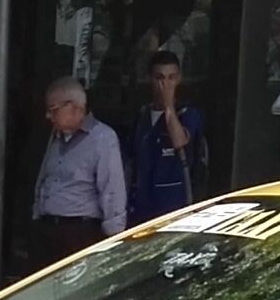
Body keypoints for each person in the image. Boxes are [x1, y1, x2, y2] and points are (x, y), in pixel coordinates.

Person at [30, 75, 126, 272]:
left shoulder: (102, 138)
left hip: (79, 232)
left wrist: (114, 241)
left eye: (53, 110)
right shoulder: (56, 135)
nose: (49, 116)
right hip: (48, 230)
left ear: (74, 107)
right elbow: (45, 177)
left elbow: (111, 190)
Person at [127, 48, 206, 221]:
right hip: (142, 206)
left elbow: (180, 141)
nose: (166, 85)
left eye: (171, 78)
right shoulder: (142, 115)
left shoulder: (188, 113)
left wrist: (169, 107)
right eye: (160, 78)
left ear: (179, 79)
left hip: (174, 207)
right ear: (151, 79)